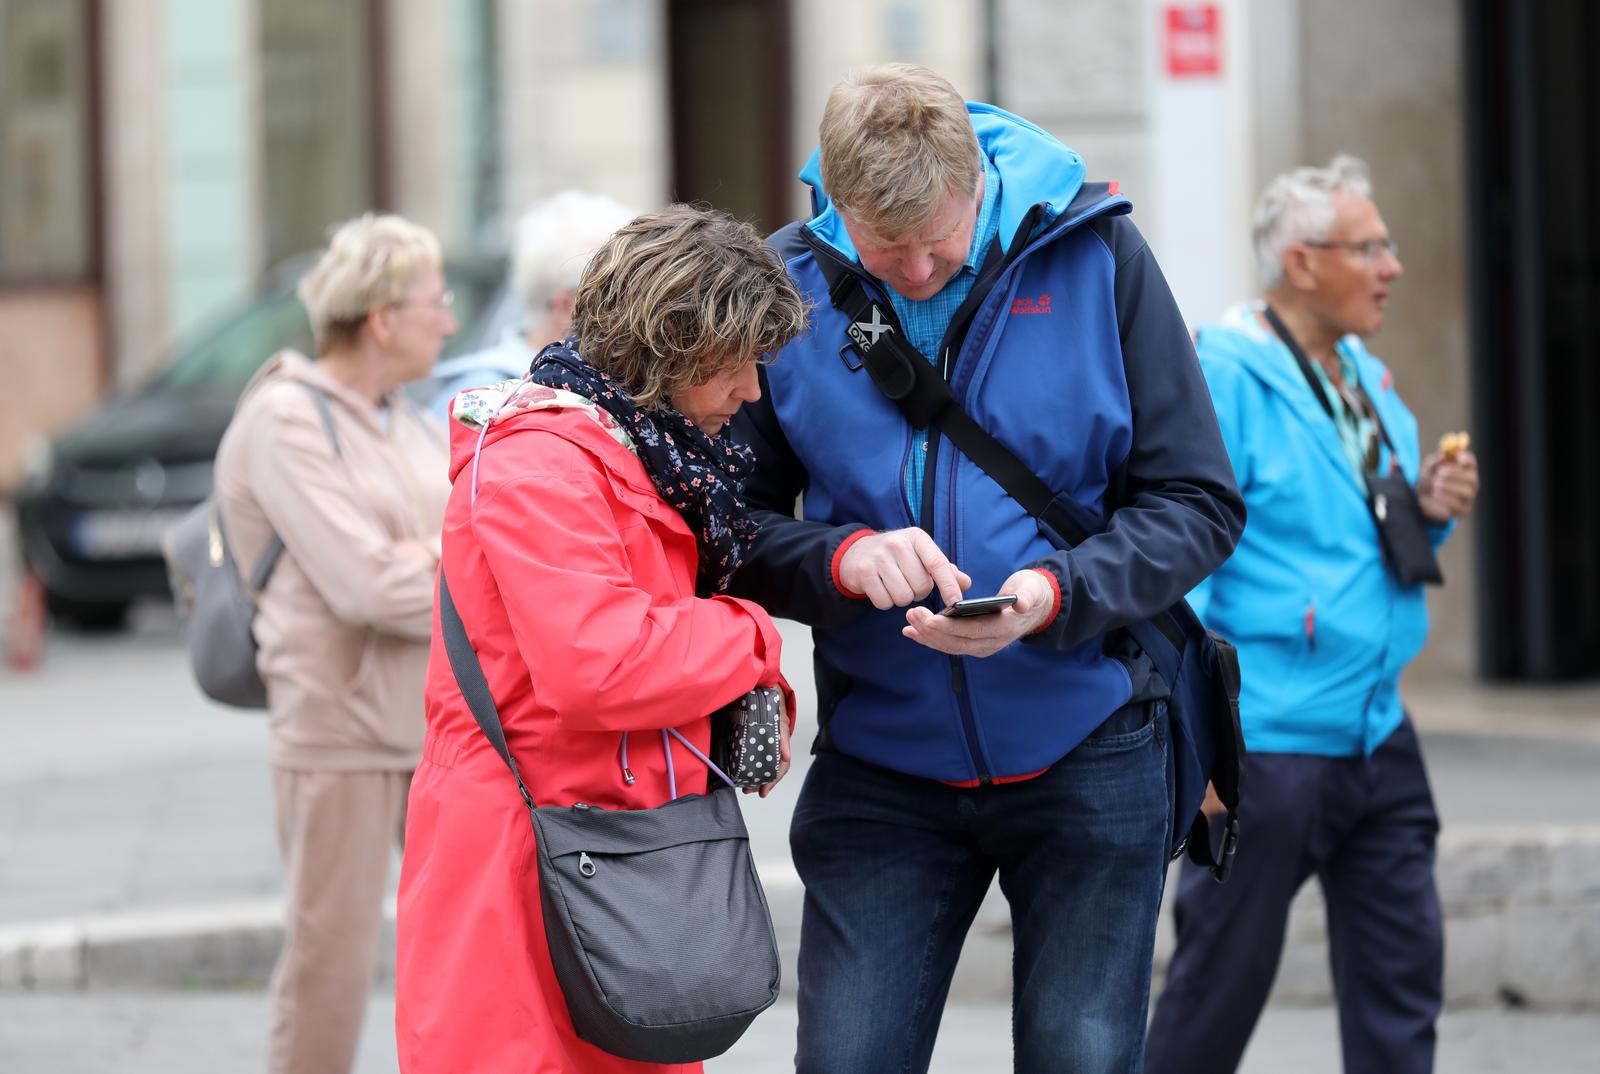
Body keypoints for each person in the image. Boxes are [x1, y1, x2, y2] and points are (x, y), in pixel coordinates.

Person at [724, 64, 1245, 1072]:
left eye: (939, 243)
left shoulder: (1097, 256)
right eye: (886, 250)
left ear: (979, 186)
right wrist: (841, 557)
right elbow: (725, 524)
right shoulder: (784, 285)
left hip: (1092, 741)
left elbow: (1197, 503)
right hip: (881, 762)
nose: (916, 271)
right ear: (834, 212)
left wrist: (1055, 594)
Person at [395, 205, 809, 1074]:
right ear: (677, 348)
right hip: (526, 865)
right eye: (739, 364)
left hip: (606, 851)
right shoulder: (541, 459)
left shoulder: (633, 446)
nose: (752, 393)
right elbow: (602, 666)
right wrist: (749, 637)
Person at [1144, 155, 1480, 1074]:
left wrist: (1430, 511)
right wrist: (1203, 744)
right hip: (1273, 743)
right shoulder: (1228, 375)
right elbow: (1188, 557)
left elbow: (1371, 537)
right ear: (1301, 262)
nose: (1392, 266)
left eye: (1387, 245)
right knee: (1216, 995)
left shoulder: (1364, 376)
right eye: (1368, 247)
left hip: (1378, 731)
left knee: (1404, 986)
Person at [211, 212, 458, 1074]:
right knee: (331, 968)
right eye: (435, 302)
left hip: (433, 724)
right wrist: (454, 565)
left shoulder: (408, 419)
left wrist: (428, 559)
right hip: (340, 730)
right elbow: (367, 586)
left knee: (467, 955)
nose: (451, 320)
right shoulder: (286, 420)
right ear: (382, 318)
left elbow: (444, 552)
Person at [426, 190, 637, 417]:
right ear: (568, 306)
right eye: (618, 295)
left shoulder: (611, 384)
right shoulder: (483, 398)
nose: (635, 312)